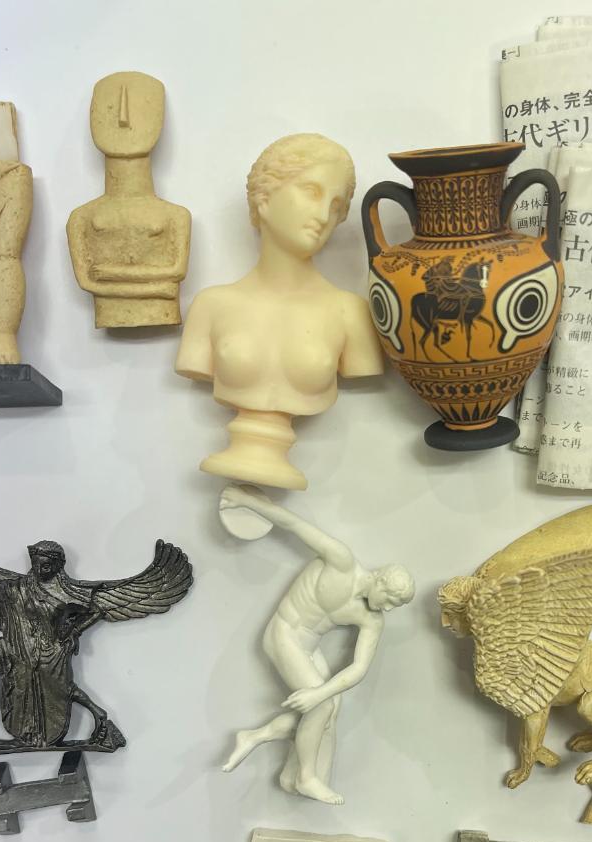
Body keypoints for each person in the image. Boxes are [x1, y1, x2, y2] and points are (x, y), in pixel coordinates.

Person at [175, 133, 384, 490]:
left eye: (336, 205)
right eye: (311, 191)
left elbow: (363, 365)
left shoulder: (350, 313)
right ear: (265, 198)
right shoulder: (211, 306)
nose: (324, 215)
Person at [219, 485, 414, 804]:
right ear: (379, 580)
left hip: (308, 648)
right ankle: (306, 777)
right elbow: (293, 524)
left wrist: (320, 693)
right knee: (320, 706)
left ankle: (277, 761)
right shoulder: (342, 562)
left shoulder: (372, 618)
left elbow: (359, 669)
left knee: (328, 711)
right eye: (391, 600)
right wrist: (247, 500)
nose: (389, 608)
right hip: (284, 633)